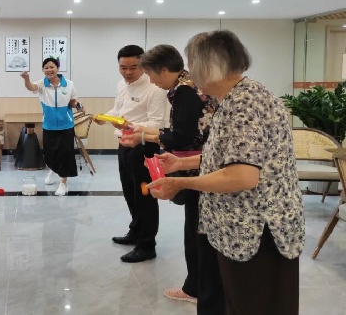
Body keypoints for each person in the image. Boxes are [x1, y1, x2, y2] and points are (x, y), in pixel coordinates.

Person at [148, 30, 305, 315]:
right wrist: (180, 164)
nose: (189, 70)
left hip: (258, 231)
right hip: (238, 228)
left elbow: (242, 176)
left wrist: (180, 184)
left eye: (192, 63)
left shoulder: (246, 102)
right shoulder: (233, 98)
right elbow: (229, 156)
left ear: (209, 66)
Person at [120, 44, 224, 313]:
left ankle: (196, 288)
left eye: (152, 75)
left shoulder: (184, 91)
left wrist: (145, 136)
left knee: (196, 228)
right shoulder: (189, 84)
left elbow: (182, 136)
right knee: (198, 227)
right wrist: (146, 134)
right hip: (203, 161)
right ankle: (198, 286)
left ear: (164, 70)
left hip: (200, 165)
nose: (152, 81)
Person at [94, 45, 167, 263]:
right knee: (129, 192)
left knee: (145, 196)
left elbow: (158, 123)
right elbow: (119, 111)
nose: (127, 72)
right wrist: (104, 117)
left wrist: (131, 125)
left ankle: (147, 245)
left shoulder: (154, 89)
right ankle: (135, 231)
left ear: (143, 65)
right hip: (124, 145)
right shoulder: (121, 85)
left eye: (133, 67)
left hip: (144, 146)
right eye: (123, 67)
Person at [20, 57, 80, 196]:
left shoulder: (68, 84)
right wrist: (26, 79)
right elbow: (31, 87)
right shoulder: (42, 84)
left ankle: (63, 183)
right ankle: (53, 169)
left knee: (65, 154)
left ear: (57, 68)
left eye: (52, 67)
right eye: (46, 68)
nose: (49, 70)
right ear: (43, 70)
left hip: (66, 125)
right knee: (49, 154)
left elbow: (72, 101)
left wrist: (77, 105)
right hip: (49, 125)